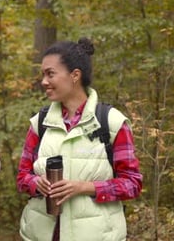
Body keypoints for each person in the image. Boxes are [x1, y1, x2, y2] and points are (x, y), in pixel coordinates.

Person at [16, 38, 143, 241]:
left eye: (50, 74)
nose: (44, 81)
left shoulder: (111, 122)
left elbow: (132, 184)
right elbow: (23, 176)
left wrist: (84, 187)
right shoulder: (40, 123)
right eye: (43, 75)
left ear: (75, 75)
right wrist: (36, 182)